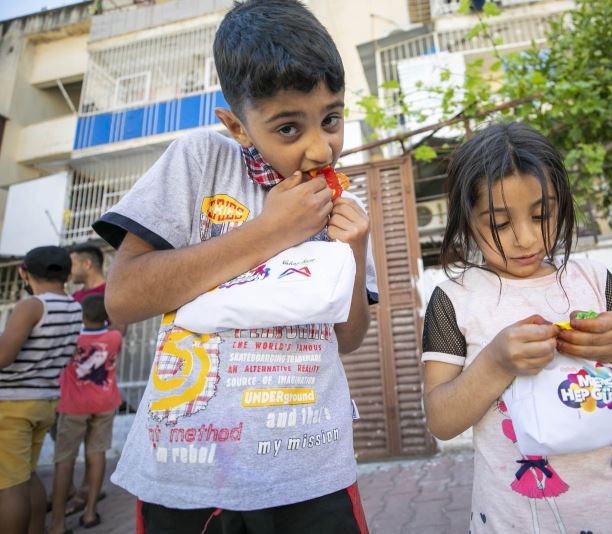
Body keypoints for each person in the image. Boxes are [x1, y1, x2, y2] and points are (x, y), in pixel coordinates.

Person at [91, 1, 378, 532]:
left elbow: (350, 337)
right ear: (237, 126)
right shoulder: (199, 160)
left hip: (309, 462)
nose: (321, 149)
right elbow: (123, 297)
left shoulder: (344, 206)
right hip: (190, 467)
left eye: (331, 118)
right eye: (288, 129)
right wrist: (270, 231)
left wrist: (354, 257)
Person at [421, 122, 612, 533]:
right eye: (499, 222)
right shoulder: (455, 299)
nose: (525, 238)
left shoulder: (594, 281)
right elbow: (441, 420)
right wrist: (495, 362)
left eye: (542, 214)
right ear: (466, 218)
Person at [0, 246, 82, 534]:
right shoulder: (75, 307)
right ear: (68, 274)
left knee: (8, 486)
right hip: (45, 401)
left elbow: (4, 357)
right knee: (26, 475)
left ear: (24, 272)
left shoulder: (33, 305)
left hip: (12, 405)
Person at [49, 294, 122, 534]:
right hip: (104, 402)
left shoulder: (72, 340)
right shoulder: (114, 337)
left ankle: (58, 523)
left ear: (81, 316)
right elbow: (120, 324)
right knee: (97, 454)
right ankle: (90, 512)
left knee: (64, 461)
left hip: (73, 406)